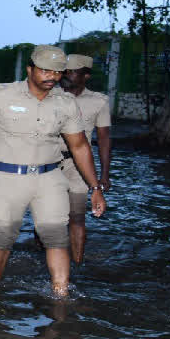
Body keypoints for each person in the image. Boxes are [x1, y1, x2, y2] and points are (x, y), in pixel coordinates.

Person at [0, 44, 106, 296]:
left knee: (57, 237)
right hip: (7, 177)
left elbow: (79, 147)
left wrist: (95, 187)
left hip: (50, 178)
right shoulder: (1, 94)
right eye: (45, 71)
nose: (52, 77)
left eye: (57, 72)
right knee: (5, 236)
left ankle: (60, 294)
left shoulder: (65, 102)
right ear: (30, 69)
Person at [60, 53, 112, 263]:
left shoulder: (98, 102)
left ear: (86, 76)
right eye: (65, 71)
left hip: (78, 166)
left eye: (73, 71)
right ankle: (47, 256)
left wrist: (104, 175)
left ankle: (77, 264)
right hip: (47, 162)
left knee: (77, 217)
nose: (67, 75)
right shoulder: (50, 95)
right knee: (47, 218)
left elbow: (104, 139)